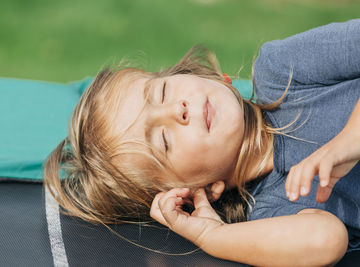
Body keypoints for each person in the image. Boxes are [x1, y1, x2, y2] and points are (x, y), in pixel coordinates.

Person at [44, 19, 360, 266]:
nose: (175, 111)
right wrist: (214, 236)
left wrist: (349, 140)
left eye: (162, 93)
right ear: (201, 191)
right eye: (164, 140)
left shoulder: (281, 70)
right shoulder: (271, 213)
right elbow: (325, 241)